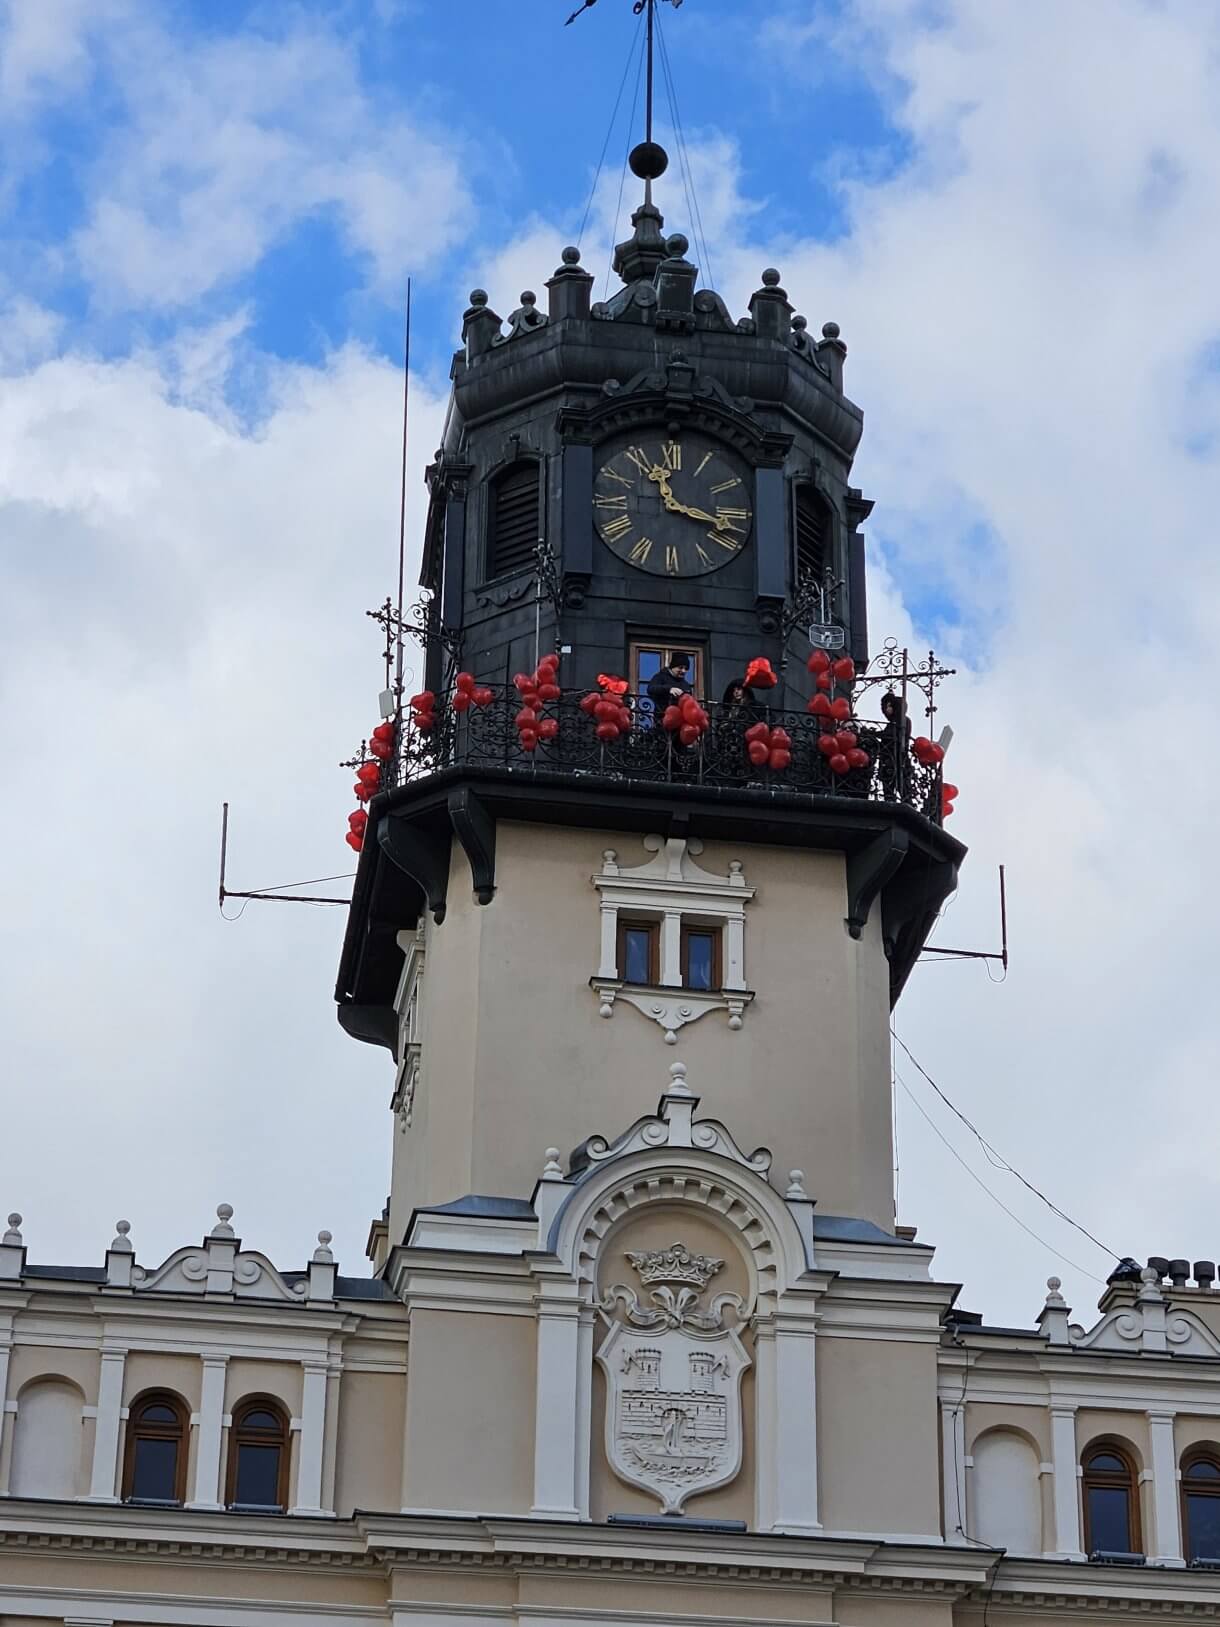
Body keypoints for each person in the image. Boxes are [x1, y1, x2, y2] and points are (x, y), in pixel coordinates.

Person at [877, 690, 911, 803]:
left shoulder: (903, 721)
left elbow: (891, 735)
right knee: (889, 791)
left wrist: (875, 734)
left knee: (902, 789)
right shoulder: (893, 724)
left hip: (897, 760)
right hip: (888, 761)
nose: (886, 710)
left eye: (888, 706)